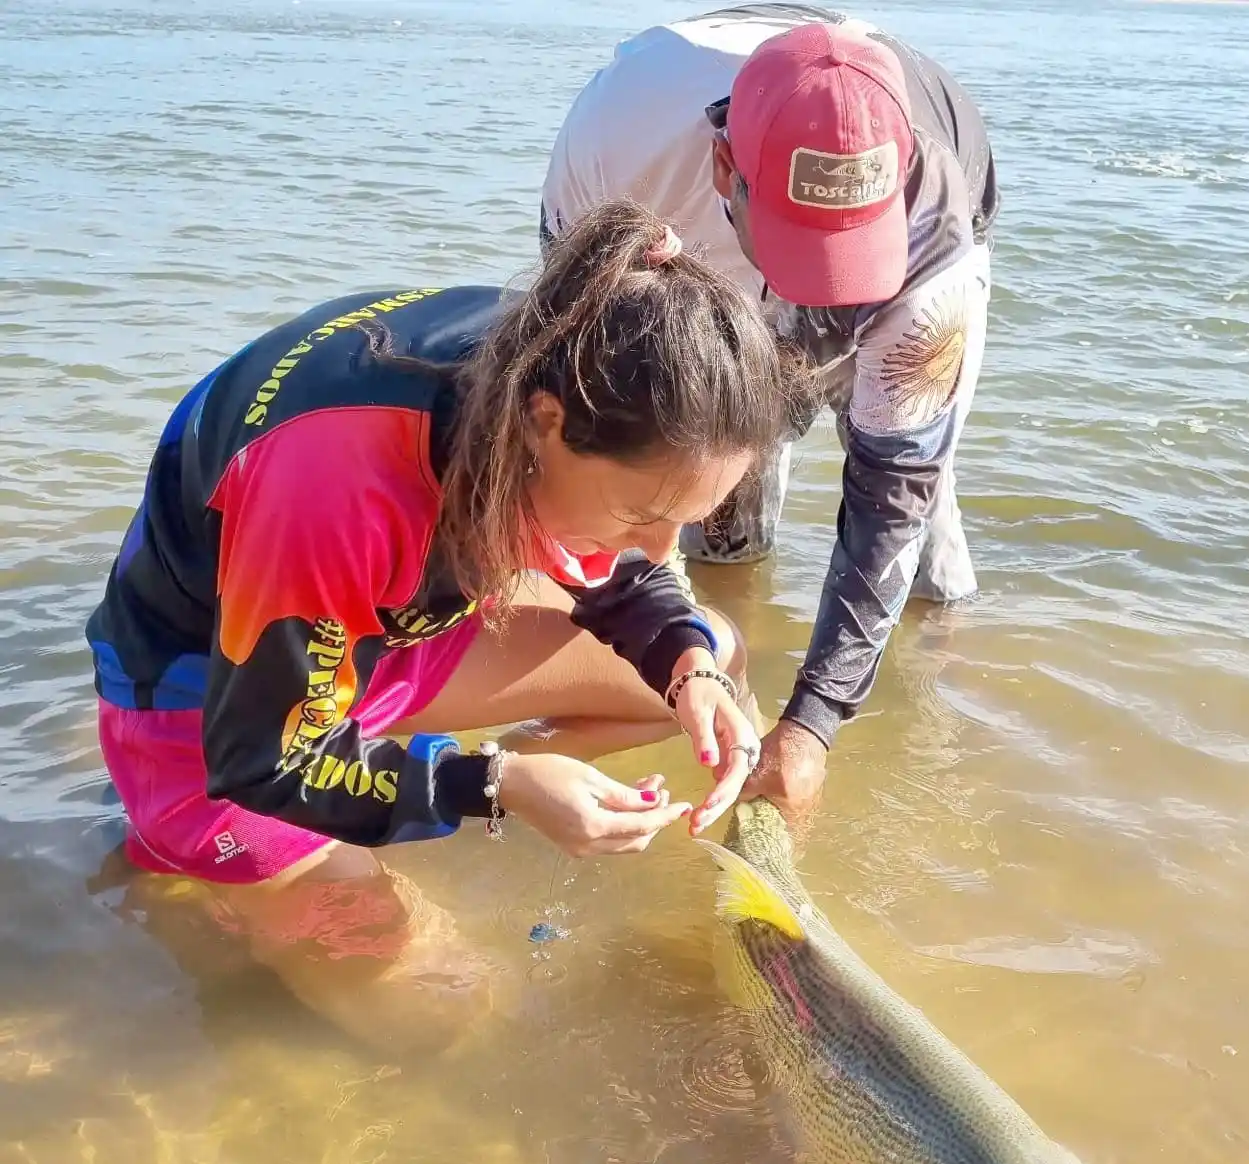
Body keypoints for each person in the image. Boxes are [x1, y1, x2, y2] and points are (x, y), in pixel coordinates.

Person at [86, 198, 811, 1054]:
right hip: (209, 718)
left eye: (684, 521)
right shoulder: (329, 490)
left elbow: (633, 578)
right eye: (642, 513)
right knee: (453, 1012)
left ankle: (412, 783)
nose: (659, 551)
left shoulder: (572, 346)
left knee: (708, 650)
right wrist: (497, 784)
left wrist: (688, 665)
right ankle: (190, 855)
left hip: (367, 633)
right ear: (548, 423)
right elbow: (262, 758)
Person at [542, 4, 1001, 823]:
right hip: (690, 252)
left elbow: (892, 487)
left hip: (913, 273)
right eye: (800, 248)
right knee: (710, 522)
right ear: (725, 166)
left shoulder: (934, 232)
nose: (819, 292)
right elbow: (580, 395)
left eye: (843, 254)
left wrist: (815, 723)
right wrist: (675, 637)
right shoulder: (617, 145)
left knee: (920, 523)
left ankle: (924, 702)